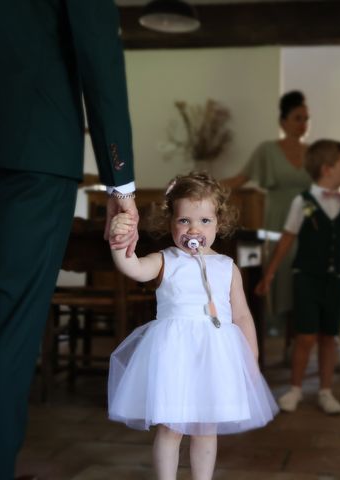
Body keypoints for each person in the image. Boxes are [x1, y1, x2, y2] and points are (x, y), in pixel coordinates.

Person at [0, 2, 139, 479]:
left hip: (29, 154)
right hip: (34, 151)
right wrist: (121, 182)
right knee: (7, 325)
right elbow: (98, 54)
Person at [107, 172, 278, 480]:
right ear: (170, 222)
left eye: (204, 221)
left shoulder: (227, 268)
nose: (194, 229)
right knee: (171, 427)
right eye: (184, 221)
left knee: (205, 427)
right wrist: (119, 243)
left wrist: (250, 360)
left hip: (215, 359)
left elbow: (241, 316)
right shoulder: (164, 260)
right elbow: (133, 268)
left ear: (219, 223)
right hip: (175, 356)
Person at [223, 91, 340, 371]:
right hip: (279, 219)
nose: (303, 124)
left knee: (307, 274)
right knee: (284, 278)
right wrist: (206, 186)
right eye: (297, 118)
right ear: (283, 120)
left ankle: (306, 345)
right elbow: (241, 178)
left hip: (311, 221)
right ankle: (286, 346)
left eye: (306, 119)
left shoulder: (314, 153)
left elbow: (330, 184)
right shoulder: (267, 150)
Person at [255, 140, 340, 414]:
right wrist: (270, 273)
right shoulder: (302, 202)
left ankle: (326, 391)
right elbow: (287, 238)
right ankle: (295, 389)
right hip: (307, 278)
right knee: (305, 336)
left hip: (337, 281)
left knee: (329, 337)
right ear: (327, 169)